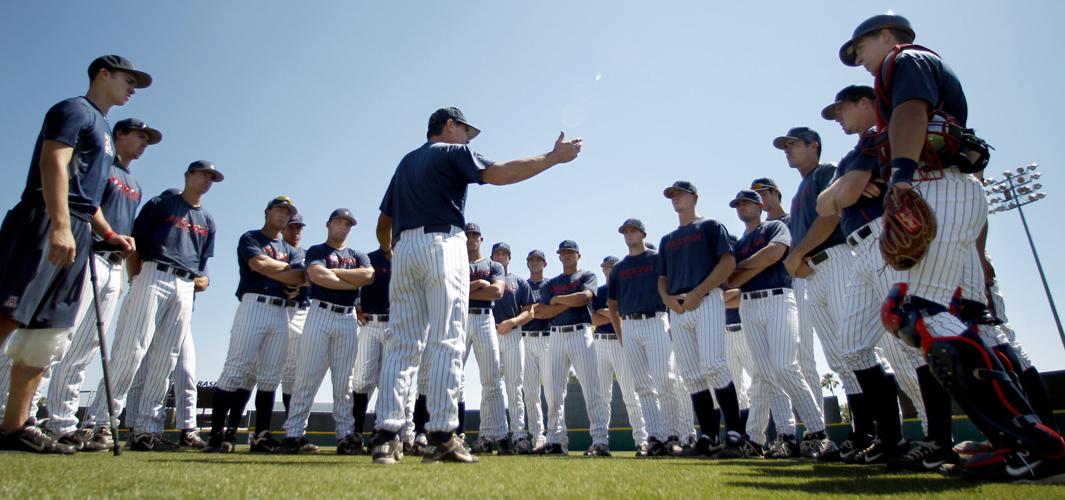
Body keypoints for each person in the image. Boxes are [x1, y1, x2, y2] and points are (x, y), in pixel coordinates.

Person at [841, 12, 1065, 479]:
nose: (858, 58)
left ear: (885, 36)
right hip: (953, 186)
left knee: (913, 311)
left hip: (935, 182)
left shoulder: (906, 58)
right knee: (968, 322)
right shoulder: (910, 65)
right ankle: (1025, 438)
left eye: (860, 46)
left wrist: (899, 176)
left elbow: (911, 111)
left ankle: (1028, 442)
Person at [371, 107, 581, 464]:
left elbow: (384, 222)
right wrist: (552, 158)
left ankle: (386, 436)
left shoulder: (406, 162)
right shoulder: (454, 151)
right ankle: (440, 433)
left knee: (402, 344)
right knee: (447, 339)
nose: (468, 138)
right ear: (449, 126)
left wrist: (394, 252)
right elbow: (498, 173)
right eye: (465, 130)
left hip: (404, 248)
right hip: (442, 244)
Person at [0, 55, 146, 453]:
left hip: (78, 228)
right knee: (8, 315)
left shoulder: (101, 127)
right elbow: (54, 162)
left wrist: (109, 232)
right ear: (103, 74)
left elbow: (89, 195)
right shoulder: (73, 109)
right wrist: (61, 224)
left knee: (46, 334)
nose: (132, 88)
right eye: (128, 80)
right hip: (45, 219)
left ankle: (14, 427)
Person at [817, 84, 941, 468]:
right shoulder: (854, 153)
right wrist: (844, 189)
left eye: (842, 108)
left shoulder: (882, 138)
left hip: (886, 238)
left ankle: (938, 438)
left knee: (910, 341)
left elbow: (848, 194)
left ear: (867, 103)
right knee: (852, 345)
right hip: (858, 250)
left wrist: (847, 190)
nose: (838, 117)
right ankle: (891, 439)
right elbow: (827, 205)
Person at [87, 161, 219, 452]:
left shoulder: (207, 220)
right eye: (203, 174)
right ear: (188, 175)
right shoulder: (162, 203)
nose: (208, 180)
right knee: (131, 349)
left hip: (185, 284)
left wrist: (201, 280)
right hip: (153, 272)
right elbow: (135, 245)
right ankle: (99, 425)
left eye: (212, 177)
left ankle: (147, 429)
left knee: (166, 359)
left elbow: (201, 265)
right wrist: (136, 279)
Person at [727, 189, 834, 459]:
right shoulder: (739, 244)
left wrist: (747, 267)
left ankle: (817, 431)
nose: (742, 207)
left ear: (760, 205)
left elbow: (775, 255)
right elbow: (733, 280)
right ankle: (785, 435)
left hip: (778, 297)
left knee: (786, 366)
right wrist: (753, 265)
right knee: (765, 372)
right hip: (749, 304)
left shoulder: (775, 226)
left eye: (746, 203)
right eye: (738, 204)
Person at [206, 196, 305, 453]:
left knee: (271, 375)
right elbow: (257, 263)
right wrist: (284, 271)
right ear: (267, 211)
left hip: (280, 311)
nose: (283, 216)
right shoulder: (251, 238)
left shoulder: (291, 249)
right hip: (253, 305)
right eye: (279, 210)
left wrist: (278, 270)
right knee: (236, 369)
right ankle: (216, 435)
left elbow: (300, 277)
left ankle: (261, 436)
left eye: (287, 212)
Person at [656, 180, 743, 457]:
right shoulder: (667, 239)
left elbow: (728, 263)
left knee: (714, 366)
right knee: (692, 375)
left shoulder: (710, 226)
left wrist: (699, 291)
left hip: (705, 300)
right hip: (678, 306)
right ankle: (707, 436)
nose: (675, 199)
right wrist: (668, 300)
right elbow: (662, 279)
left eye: (680, 194)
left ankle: (734, 435)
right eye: (672, 195)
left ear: (694, 197)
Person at [281, 208, 372, 454]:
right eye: (339, 222)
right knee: (307, 376)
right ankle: (294, 434)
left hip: (347, 318)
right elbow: (316, 275)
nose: (343, 227)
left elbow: (368, 275)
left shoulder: (358, 254)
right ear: (329, 224)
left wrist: (336, 275)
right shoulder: (317, 251)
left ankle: (345, 436)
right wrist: (348, 282)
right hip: (320, 314)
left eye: (347, 224)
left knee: (344, 382)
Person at [535, 240, 610, 457]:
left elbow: (585, 298)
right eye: (563, 253)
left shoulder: (587, 276)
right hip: (556, 335)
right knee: (554, 392)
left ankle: (600, 441)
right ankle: (556, 441)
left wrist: (559, 301)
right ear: (559, 257)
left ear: (578, 255)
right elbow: (544, 312)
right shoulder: (551, 283)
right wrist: (570, 301)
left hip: (581, 332)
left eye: (570, 252)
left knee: (592, 389)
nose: (566, 256)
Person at [607, 219, 674, 458]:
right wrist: (620, 332)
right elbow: (612, 304)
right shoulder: (619, 268)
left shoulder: (657, 258)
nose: (628, 234)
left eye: (632, 230)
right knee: (642, 387)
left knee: (665, 380)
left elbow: (670, 288)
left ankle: (672, 435)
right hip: (630, 325)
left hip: (656, 320)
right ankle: (655, 437)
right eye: (625, 231)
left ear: (643, 233)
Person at [459, 223, 508, 454]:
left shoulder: (494, 265)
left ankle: (500, 435)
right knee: (454, 379)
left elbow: (497, 292)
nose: (471, 239)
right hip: (459, 318)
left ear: (481, 238)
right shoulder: (456, 263)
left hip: (484, 318)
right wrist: (479, 284)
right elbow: (450, 291)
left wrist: (466, 289)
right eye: (467, 235)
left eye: (475, 235)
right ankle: (454, 434)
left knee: (491, 379)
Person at [592, 254, 647, 456]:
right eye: (606, 266)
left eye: (612, 266)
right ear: (603, 270)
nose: (609, 269)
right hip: (600, 343)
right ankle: (600, 443)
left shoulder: (626, 288)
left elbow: (624, 313)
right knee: (601, 396)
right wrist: (614, 313)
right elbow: (593, 318)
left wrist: (607, 312)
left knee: (631, 394)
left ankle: (642, 441)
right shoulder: (599, 291)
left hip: (622, 343)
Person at [490, 242, 536, 454]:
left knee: (514, 386)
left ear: (509, 258)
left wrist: (513, 322)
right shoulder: (486, 277)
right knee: (489, 385)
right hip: (488, 332)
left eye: (504, 253)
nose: (500, 256)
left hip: (512, 333)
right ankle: (487, 434)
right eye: (497, 253)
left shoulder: (518, 282)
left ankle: (518, 435)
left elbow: (530, 312)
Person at [522, 249, 553, 453]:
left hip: (547, 339)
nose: (535, 263)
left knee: (552, 392)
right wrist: (535, 308)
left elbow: (550, 308)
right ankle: (538, 437)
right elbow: (521, 311)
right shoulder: (522, 285)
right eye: (531, 260)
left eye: (538, 260)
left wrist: (531, 309)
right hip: (525, 339)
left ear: (545, 263)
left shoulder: (551, 285)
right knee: (530, 393)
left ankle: (556, 436)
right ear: (527, 264)